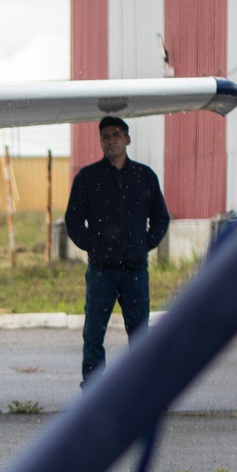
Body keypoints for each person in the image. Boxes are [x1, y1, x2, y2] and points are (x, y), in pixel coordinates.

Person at [61, 115, 169, 383]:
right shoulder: (88, 178)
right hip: (102, 271)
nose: (112, 140)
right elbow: (73, 220)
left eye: (117, 135)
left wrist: (145, 244)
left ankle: (143, 392)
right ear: (100, 141)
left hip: (135, 271)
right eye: (106, 136)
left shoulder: (144, 177)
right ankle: (94, 392)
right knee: (94, 334)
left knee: (140, 336)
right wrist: (92, 246)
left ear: (127, 139)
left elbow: (161, 217)